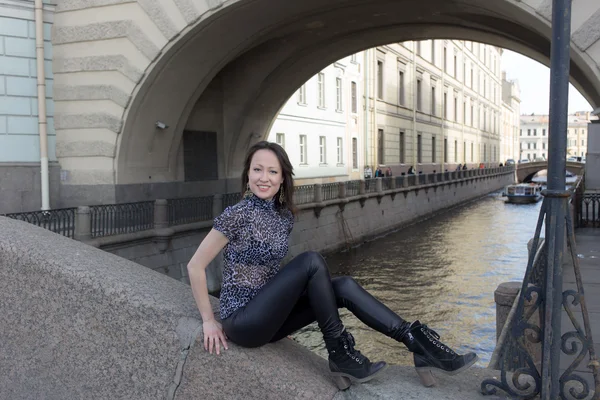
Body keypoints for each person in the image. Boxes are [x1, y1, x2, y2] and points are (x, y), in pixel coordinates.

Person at [187, 141, 478, 390]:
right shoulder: (237, 214)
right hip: (242, 323)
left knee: (343, 286)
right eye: (257, 170)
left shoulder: (283, 217)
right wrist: (209, 320)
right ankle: (340, 351)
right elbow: (195, 266)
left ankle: (417, 341)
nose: (264, 178)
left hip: (267, 318)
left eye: (272, 171)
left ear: (282, 178)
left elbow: (270, 274)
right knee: (312, 261)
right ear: (247, 175)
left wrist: (280, 312)